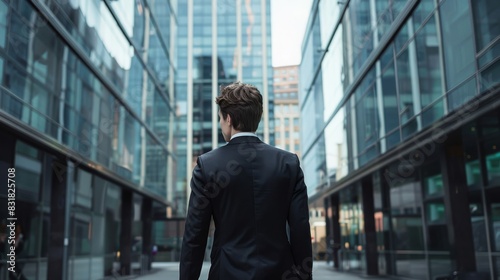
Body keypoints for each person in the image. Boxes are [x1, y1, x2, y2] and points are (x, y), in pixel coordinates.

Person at [180, 82, 312, 280]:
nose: (220, 124)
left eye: (220, 119)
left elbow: (194, 237)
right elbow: (300, 230)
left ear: (229, 119)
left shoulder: (207, 166)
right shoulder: (289, 164)